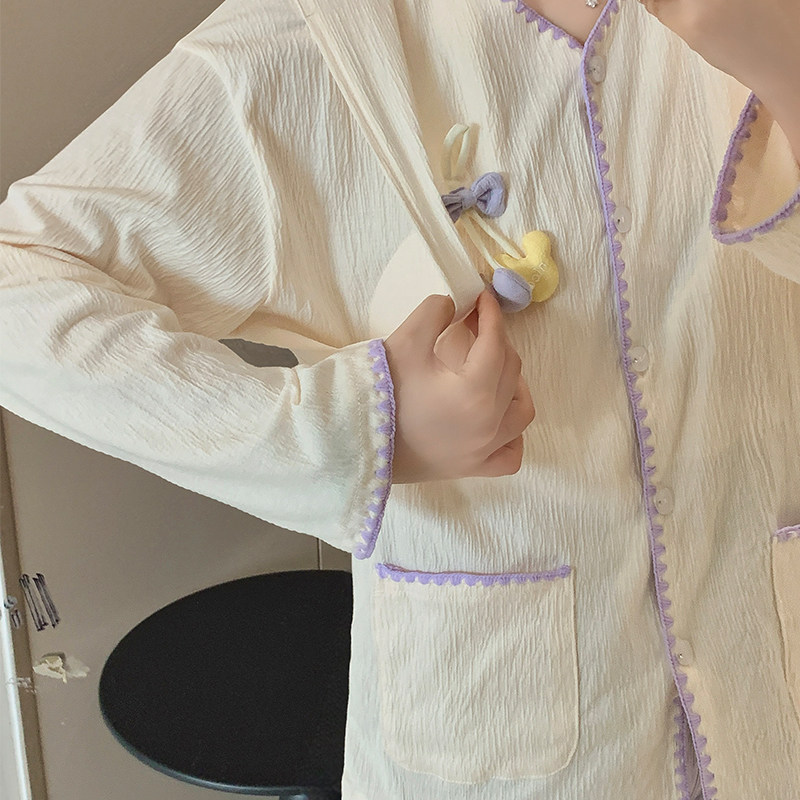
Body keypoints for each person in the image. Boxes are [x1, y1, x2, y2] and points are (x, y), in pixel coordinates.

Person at [1, 0, 799, 797]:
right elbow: (19, 286)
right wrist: (357, 430)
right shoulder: (317, 42)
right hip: (514, 747)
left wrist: (784, 65)